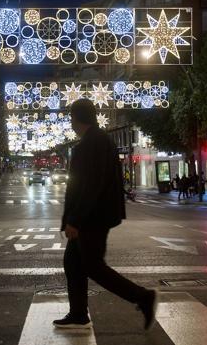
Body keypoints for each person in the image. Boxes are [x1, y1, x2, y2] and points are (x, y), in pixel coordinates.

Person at [54, 99, 157, 331]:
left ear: (77, 118)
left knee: (93, 266)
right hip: (94, 214)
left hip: (92, 217)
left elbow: (90, 185)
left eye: (71, 118)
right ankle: (79, 312)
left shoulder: (92, 144)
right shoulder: (98, 140)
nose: (70, 123)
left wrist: (75, 220)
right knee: (73, 263)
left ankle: (142, 296)